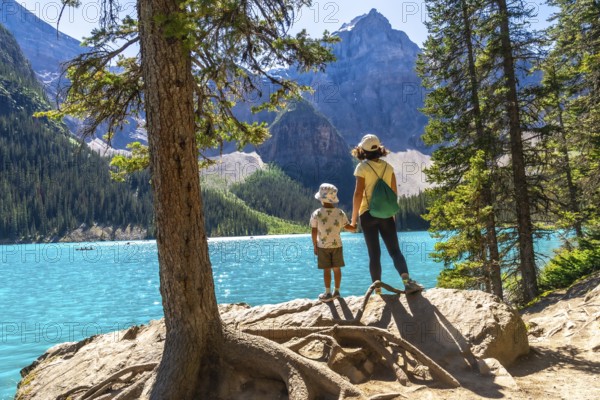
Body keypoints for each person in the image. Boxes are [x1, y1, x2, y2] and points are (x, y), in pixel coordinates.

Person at [349, 134, 423, 294]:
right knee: (395, 251)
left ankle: (378, 292)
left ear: (363, 150)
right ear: (378, 149)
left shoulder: (362, 168)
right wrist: (392, 214)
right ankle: (407, 282)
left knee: (374, 254)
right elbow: (393, 192)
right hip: (386, 215)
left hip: (367, 215)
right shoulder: (388, 168)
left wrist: (353, 221)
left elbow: (358, 194)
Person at [310, 183, 355, 302]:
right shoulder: (340, 213)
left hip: (322, 246)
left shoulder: (317, 213)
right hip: (337, 245)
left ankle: (328, 293)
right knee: (337, 269)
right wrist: (354, 226)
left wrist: (315, 245)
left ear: (321, 199)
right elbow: (348, 227)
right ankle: (337, 291)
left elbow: (314, 231)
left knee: (326, 269)